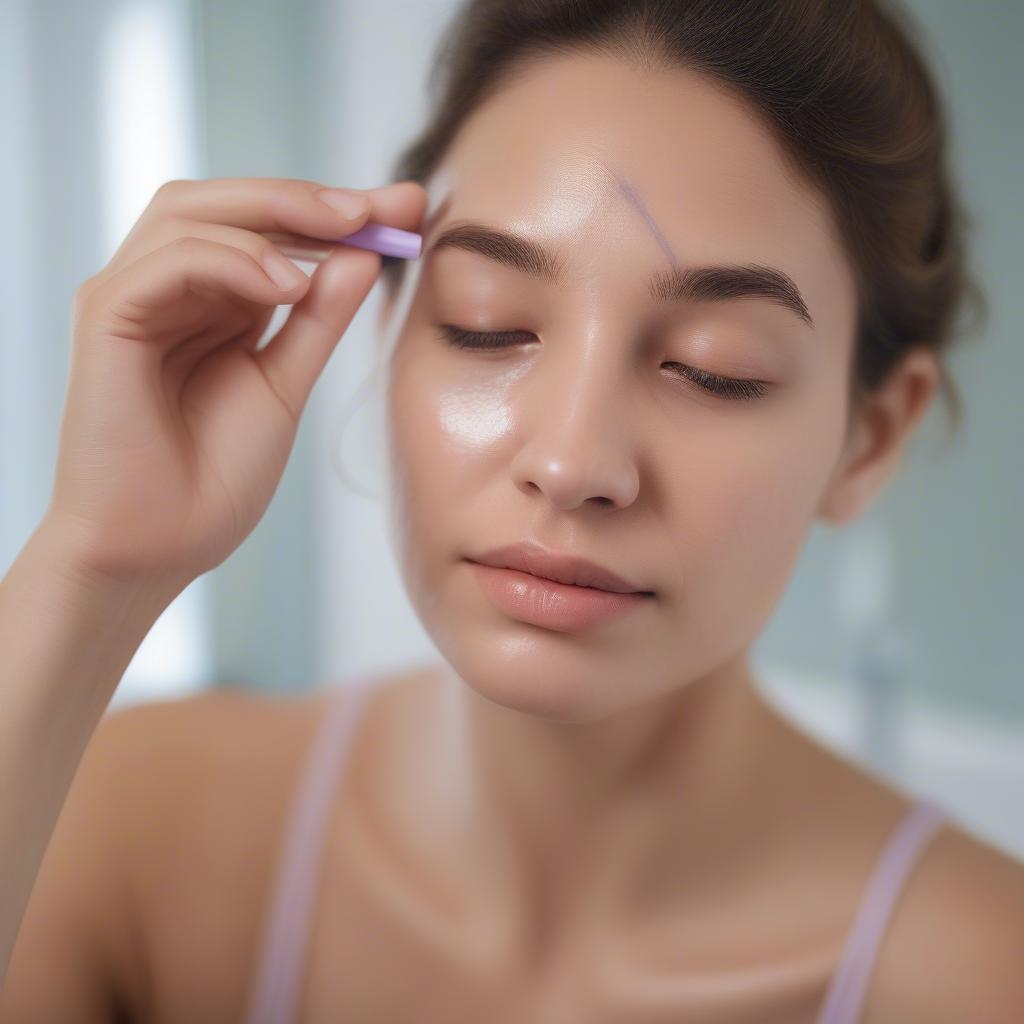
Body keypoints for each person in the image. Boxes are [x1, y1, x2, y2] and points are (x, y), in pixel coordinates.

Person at [2, 0, 1022, 1021]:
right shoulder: (133, 827)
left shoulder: (980, 975)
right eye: (485, 325)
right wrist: (93, 563)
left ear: (872, 434)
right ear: (387, 318)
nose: (572, 459)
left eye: (713, 369)